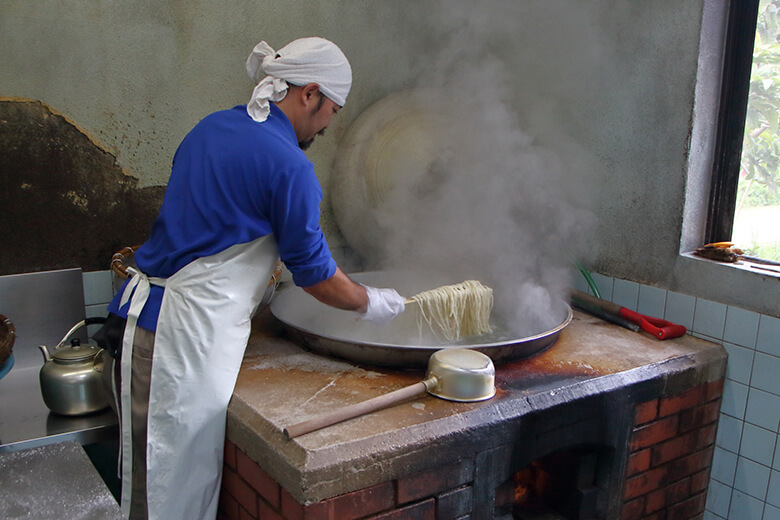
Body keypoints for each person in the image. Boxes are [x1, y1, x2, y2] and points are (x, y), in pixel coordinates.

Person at [98, 37, 406, 520]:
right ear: (310, 93)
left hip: (159, 329)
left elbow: (209, 223)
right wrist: (370, 302)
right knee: (163, 495)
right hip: (175, 339)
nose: (328, 124)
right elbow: (316, 274)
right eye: (332, 110)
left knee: (179, 487)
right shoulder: (291, 168)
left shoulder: (210, 128)